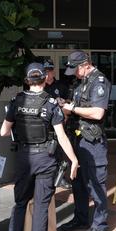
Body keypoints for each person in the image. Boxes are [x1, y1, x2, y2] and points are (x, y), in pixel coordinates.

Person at [1, 62, 79, 231]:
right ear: (45, 79)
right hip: (45, 160)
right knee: (41, 208)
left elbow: (4, 131)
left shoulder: (16, 101)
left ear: (27, 80)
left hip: (23, 159)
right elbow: (61, 136)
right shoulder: (51, 103)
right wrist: (74, 160)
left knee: (20, 204)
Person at [59, 50, 112, 231]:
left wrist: (72, 108)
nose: (74, 73)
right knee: (79, 182)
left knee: (96, 183)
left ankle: (100, 224)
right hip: (78, 139)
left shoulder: (99, 81)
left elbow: (98, 113)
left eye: (75, 69)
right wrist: (66, 105)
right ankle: (81, 218)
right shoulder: (82, 83)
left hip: (92, 142)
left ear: (85, 65)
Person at [42, 57, 73, 190]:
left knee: (60, 153)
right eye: (45, 70)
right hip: (43, 126)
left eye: (50, 70)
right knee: (45, 153)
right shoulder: (39, 86)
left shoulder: (61, 86)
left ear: (53, 71)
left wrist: (65, 110)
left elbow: (68, 103)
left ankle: (60, 178)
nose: (48, 73)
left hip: (59, 125)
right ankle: (46, 177)